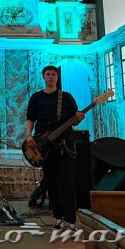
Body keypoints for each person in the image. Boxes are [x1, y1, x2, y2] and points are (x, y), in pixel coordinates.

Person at [25, 65, 84, 227]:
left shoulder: (66, 97)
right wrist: (29, 135)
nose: (51, 77)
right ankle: (58, 217)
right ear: (44, 77)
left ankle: (70, 219)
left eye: (53, 75)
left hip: (65, 143)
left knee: (67, 181)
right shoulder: (36, 98)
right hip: (44, 146)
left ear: (57, 78)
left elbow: (75, 119)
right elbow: (30, 118)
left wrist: (78, 118)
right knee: (51, 181)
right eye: (48, 74)